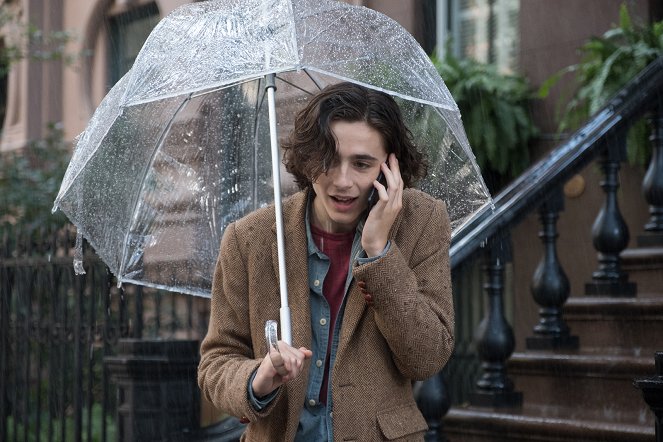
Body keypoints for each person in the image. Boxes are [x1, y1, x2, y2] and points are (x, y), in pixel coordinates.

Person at [198, 82, 454, 441]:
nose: (342, 180)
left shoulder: (422, 222)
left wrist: (380, 253)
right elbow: (216, 364)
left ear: (389, 166)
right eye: (328, 160)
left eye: (362, 164)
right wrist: (259, 378)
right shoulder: (249, 238)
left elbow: (426, 356)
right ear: (306, 156)